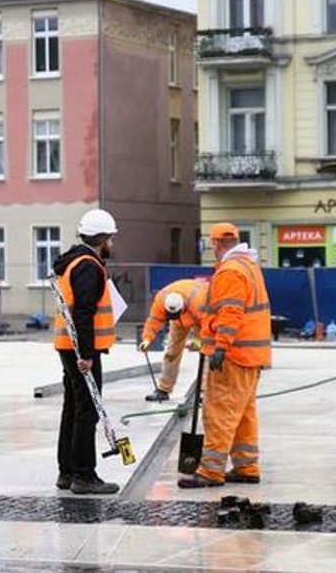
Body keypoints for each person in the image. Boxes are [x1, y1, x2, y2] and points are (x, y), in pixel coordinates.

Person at [179, 222, 272, 488]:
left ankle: (210, 470)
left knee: (219, 411)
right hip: (252, 354)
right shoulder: (249, 267)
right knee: (243, 412)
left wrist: (220, 346)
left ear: (216, 244)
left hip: (233, 354)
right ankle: (246, 466)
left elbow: (231, 312)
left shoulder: (230, 271)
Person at [52, 208, 121, 495]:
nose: (113, 245)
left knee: (74, 408)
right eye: (111, 239)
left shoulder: (74, 262)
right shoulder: (88, 266)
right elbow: (83, 312)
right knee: (88, 412)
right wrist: (87, 354)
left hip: (70, 346)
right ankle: (84, 476)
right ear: (102, 238)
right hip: (80, 350)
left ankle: (67, 472)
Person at [137, 278, 210, 402]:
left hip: (201, 319)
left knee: (207, 352)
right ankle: (163, 389)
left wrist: (199, 342)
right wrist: (147, 339)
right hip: (179, 322)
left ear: (183, 307)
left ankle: (204, 392)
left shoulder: (199, 301)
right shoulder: (161, 300)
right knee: (171, 352)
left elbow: (208, 324)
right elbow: (154, 320)